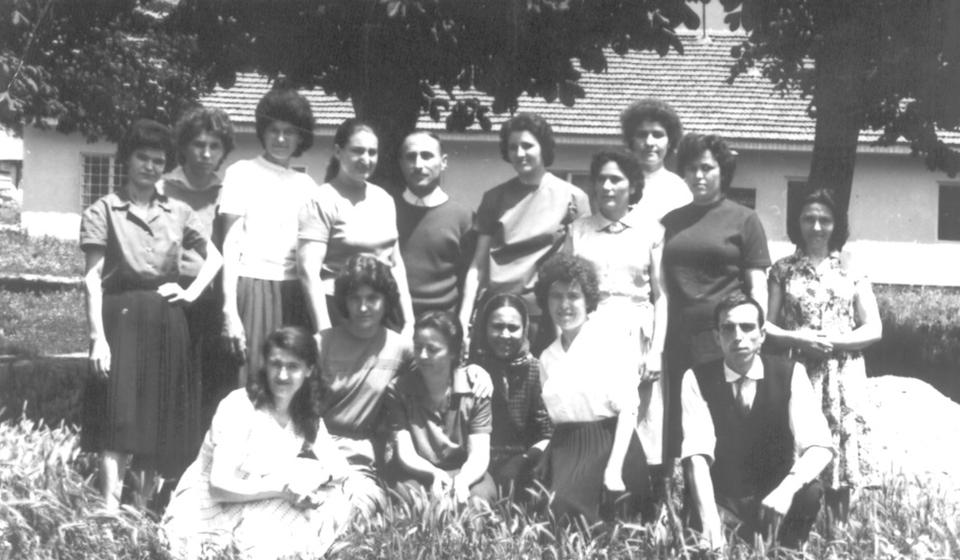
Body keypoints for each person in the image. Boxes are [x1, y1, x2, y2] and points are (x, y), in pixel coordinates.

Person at [80, 119, 222, 509]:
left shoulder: (178, 210)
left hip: (166, 319)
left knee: (154, 419)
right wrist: (97, 339)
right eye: (143, 157)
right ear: (127, 159)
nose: (151, 166)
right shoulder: (103, 210)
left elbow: (215, 257)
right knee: (119, 415)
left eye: (159, 160)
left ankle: (139, 512)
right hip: (120, 317)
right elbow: (92, 279)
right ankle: (109, 514)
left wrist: (190, 292)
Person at [163, 326, 353, 559]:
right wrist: (283, 489)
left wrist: (315, 480)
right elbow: (219, 487)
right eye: (276, 364)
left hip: (258, 501)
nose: (282, 376)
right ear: (265, 365)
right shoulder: (240, 405)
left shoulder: (305, 415)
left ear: (309, 370)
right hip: (207, 512)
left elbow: (340, 468)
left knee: (335, 497)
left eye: (293, 367)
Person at [683, 293, 834, 549]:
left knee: (808, 493)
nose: (738, 336)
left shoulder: (790, 373)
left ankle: (786, 549)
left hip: (775, 499)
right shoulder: (696, 378)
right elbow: (697, 455)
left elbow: (820, 447)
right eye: (728, 328)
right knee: (697, 516)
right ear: (717, 337)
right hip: (724, 500)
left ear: (762, 335)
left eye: (747, 327)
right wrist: (711, 526)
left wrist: (786, 491)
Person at [766, 188, 881, 518]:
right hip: (798, 371)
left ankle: (838, 536)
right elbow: (766, 326)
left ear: (836, 225)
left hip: (842, 374)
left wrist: (835, 342)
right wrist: (799, 339)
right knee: (798, 445)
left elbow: (873, 328)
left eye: (825, 220)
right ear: (797, 222)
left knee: (842, 454)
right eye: (809, 219)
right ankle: (795, 531)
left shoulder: (851, 267)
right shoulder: (783, 269)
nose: (816, 227)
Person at [661, 133, 771, 461]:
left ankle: (731, 497)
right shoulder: (671, 221)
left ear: (723, 171)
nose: (698, 176)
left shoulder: (744, 219)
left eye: (707, 168)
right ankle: (681, 498)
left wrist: (755, 335)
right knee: (682, 418)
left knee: (725, 414)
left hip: (725, 334)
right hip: (679, 336)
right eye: (691, 169)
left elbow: (757, 286)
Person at [564, 150, 667, 467]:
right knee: (596, 414)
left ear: (632, 186)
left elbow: (662, 296)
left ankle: (639, 497)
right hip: (590, 333)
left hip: (635, 335)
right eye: (601, 180)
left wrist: (656, 351)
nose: (607, 187)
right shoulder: (578, 231)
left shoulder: (652, 231)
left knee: (638, 415)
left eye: (616, 179)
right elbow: (567, 292)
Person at [460, 113, 590, 353]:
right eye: (513, 147)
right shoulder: (494, 198)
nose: (519, 154)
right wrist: (463, 317)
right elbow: (477, 266)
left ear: (543, 148)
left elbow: (578, 269)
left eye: (527, 145)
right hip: (498, 312)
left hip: (544, 317)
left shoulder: (572, 198)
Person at [534, 254, 649, 523]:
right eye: (556, 296)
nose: (564, 305)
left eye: (573, 296)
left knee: (569, 513)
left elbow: (628, 411)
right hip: (566, 447)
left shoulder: (609, 341)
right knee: (540, 510)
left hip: (608, 444)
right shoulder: (547, 357)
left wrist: (613, 470)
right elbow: (559, 419)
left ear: (588, 301)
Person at [220, 88, 317, 388]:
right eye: (274, 130)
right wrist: (229, 308)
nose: (281, 138)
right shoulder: (241, 173)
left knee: (291, 379)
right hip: (253, 286)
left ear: (300, 138)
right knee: (253, 376)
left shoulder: (307, 185)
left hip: (294, 292)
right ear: (263, 132)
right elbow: (231, 242)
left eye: (289, 132)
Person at [298, 119, 415, 333]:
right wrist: (324, 331)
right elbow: (308, 271)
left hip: (382, 311)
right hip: (338, 311)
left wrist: (409, 321)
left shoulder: (384, 200)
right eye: (357, 151)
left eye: (372, 152)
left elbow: (396, 265)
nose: (366, 159)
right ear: (337, 152)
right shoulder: (321, 200)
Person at [162, 106, 237, 428]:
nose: (206, 153)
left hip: (213, 295)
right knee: (170, 377)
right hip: (170, 292)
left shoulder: (227, 194)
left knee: (211, 381)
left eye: (214, 146)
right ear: (184, 146)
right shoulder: (163, 188)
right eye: (199, 145)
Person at [386, 311, 497, 505]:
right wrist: (433, 474)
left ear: (453, 351)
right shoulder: (398, 389)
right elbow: (405, 452)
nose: (422, 355)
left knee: (477, 502)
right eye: (418, 347)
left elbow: (479, 454)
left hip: (465, 470)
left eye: (432, 349)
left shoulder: (475, 389)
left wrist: (462, 481)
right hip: (418, 471)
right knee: (410, 500)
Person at [469, 293, 552, 497]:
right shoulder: (474, 368)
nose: (505, 335)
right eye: (497, 327)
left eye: (513, 328)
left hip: (524, 459)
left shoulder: (535, 370)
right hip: (480, 459)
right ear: (485, 327)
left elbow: (548, 434)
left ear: (525, 330)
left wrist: (523, 460)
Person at [396, 130, 475, 317]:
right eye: (410, 157)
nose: (418, 165)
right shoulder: (387, 210)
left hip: (443, 324)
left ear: (444, 162)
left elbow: (469, 278)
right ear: (401, 164)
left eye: (427, 156)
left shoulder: (464, 217)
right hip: (394, 322)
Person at [620, 99, 690, 222]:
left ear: (670, 141)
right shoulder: (616, 183)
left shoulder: (680, 189)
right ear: (632, 140)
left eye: (657, 135)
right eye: (642, 134)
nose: (649, 143)